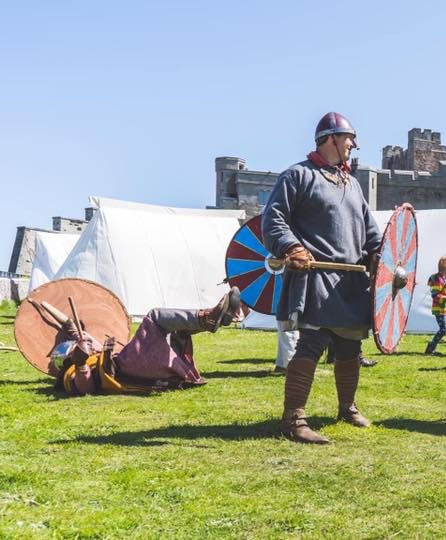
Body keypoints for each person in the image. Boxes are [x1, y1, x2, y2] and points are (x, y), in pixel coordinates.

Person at [262, 111, 382, 445]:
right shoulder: (298, 176)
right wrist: (291, 247)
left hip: (350, 282)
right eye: (349, 138)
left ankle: (347, 407)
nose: (353, 145)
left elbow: (370, 234)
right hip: (315, 276)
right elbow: (274, 220)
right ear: (330, 138)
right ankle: (293, 419)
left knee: (349, 346)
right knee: (312, 343)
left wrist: (378, 257)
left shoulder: (352, 184)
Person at [36, 288, 241, 396]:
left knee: (179, 331)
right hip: (130, 369)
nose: (86, 344)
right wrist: (81, 365)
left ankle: (220, 318)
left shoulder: (88, 351)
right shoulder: (71, 375)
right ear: (69, 360)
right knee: (155, 318)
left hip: (151, 369)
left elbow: (71, 326)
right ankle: (207, 318)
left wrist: (41, 303)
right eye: (77, 350)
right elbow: (85, 389)